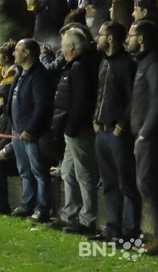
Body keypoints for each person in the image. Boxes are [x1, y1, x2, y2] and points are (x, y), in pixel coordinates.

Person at [93, 21, 140, 242]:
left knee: (126, 183)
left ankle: (130, 232)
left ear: (111, 38)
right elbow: (100, 94)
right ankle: (112, 228)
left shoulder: (127, 64)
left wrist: (122, 125)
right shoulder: (104, 62)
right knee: (109, 182)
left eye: (101, 35)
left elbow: (133, 99)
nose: (97, 38)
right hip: (102, 130)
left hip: (117, 133)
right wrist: (95, 119)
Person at [50, 28, 99, 235]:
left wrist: (71, 126)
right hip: (71, 129)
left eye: (63, 46)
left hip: (79, 129)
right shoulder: (75, 66)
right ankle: (70, 214)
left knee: (83, 174)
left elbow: (81, 101)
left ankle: (87, 219)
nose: (61, 50)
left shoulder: (81, 67)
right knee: (68, 172)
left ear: (71, 47)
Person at [7, 39, 54, 223]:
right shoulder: (21, 73)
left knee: (39, 171)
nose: (14, 53)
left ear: (27, 53)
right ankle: (27, 204)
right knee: (25, 171)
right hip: (17, 131)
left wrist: (30, 128)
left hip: (31, 134)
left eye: (17, 50)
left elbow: (42, 106)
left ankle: (42, 209)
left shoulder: (39, 76)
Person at [127, 20, 158, 255]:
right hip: (142, 136)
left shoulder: (152, 63)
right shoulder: (143, 62)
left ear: (142, 39)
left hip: (149, 138)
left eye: (131, 35)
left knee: (150, 187)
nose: (128, 40)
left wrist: (145, 133)